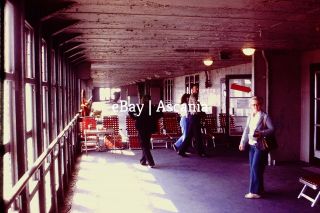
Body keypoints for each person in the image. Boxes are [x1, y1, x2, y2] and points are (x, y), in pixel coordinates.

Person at [239, 96, 274, 199]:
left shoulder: (265, 116)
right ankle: (260, 188)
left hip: (260, 146)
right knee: (254, 168)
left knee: (255, 167)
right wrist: (242, 143)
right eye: (253, 104)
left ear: (261, 104)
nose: (256, 106)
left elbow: (272, 129)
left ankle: (254, 192)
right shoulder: (250, 116)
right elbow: (246, 130)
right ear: (250, 105)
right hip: (251, 145)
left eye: (257, 104)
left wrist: (261, 133)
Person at [129, 95, 162, 168]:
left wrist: (137, 117)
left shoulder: (139, 107)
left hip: (141, 128)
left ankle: (151, 162)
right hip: (150, 128)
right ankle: (143, 160)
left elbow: (130, 113)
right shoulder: (153, 107)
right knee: (146, 143)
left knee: (144, 145)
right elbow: (160, 114)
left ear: (142, 100)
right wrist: (153, 119)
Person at [184, 84, 206, 157]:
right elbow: (197, 109)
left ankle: (181, 150)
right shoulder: (193, 97)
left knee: (190, 136)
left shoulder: (194, 97)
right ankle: (200, 152)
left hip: (193, 118)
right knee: (198, 136)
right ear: (192, 90)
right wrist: (202, 113)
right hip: (194, 118)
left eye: (197, 88)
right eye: (195, 88)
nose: (197, 90)